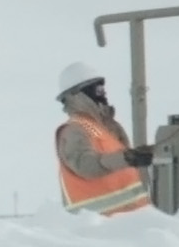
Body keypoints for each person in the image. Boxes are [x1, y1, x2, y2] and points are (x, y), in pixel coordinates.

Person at [54, 62, 154, 216]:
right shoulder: (74, 130)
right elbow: (86, 165)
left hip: (129, 220)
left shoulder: (104, 128)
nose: (103, 94)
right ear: (78, 95)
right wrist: (126, 158)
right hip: (98, 228)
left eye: (103, 88)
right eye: (97, 89)